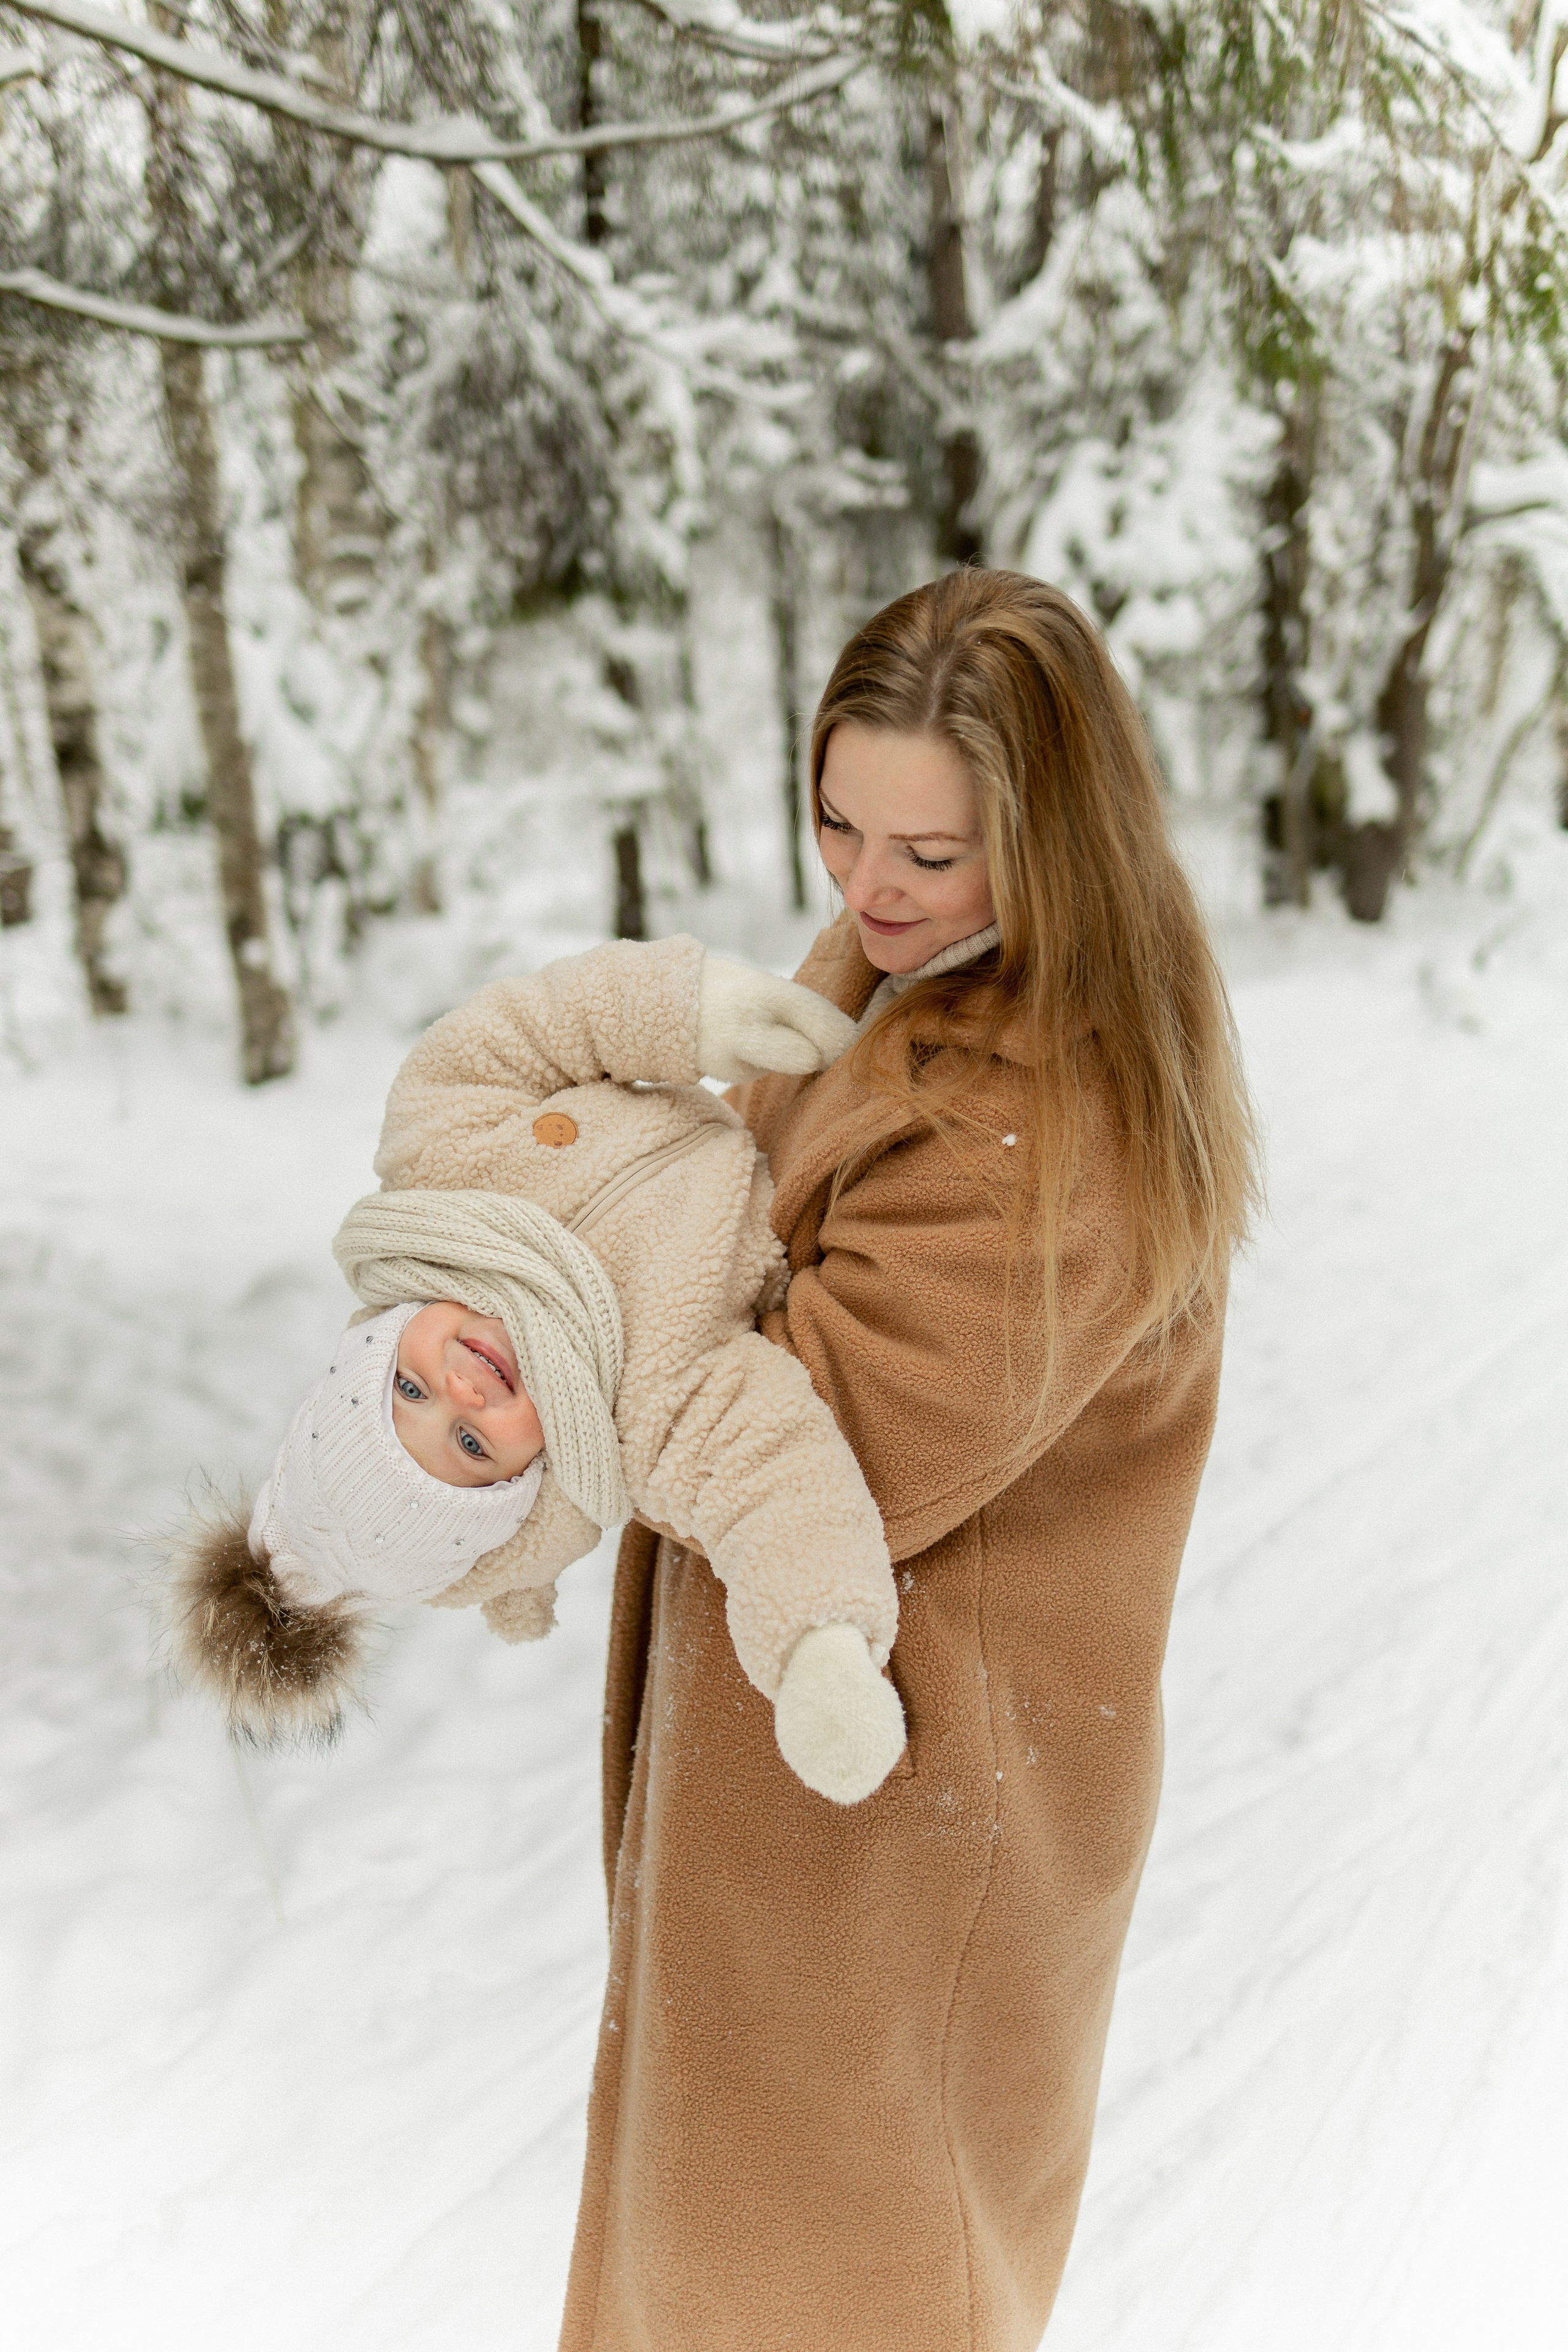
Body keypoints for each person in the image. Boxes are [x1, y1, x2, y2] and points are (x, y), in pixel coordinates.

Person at [559, 569, 1258, 2352]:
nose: (866, 889)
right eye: (838, 821)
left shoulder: (1040, 1119)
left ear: (1060, 844)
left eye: (930, 852)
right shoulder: (909, 968)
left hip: (897, 1849)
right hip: (809, 1811)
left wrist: (559, 1274)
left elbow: (800, 1452)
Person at [168, 936, 907, 1802]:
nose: (463, 1392)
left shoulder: (438, 1153)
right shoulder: (650, 1408)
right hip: (831, 1163)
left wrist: (688, 1014)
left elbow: (531, 1028)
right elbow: (774, 1484)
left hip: (754, 1060)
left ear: (373, 1347)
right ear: (526, 1484)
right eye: (473, 1445)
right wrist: (817, 1651)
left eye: (408, 1392)